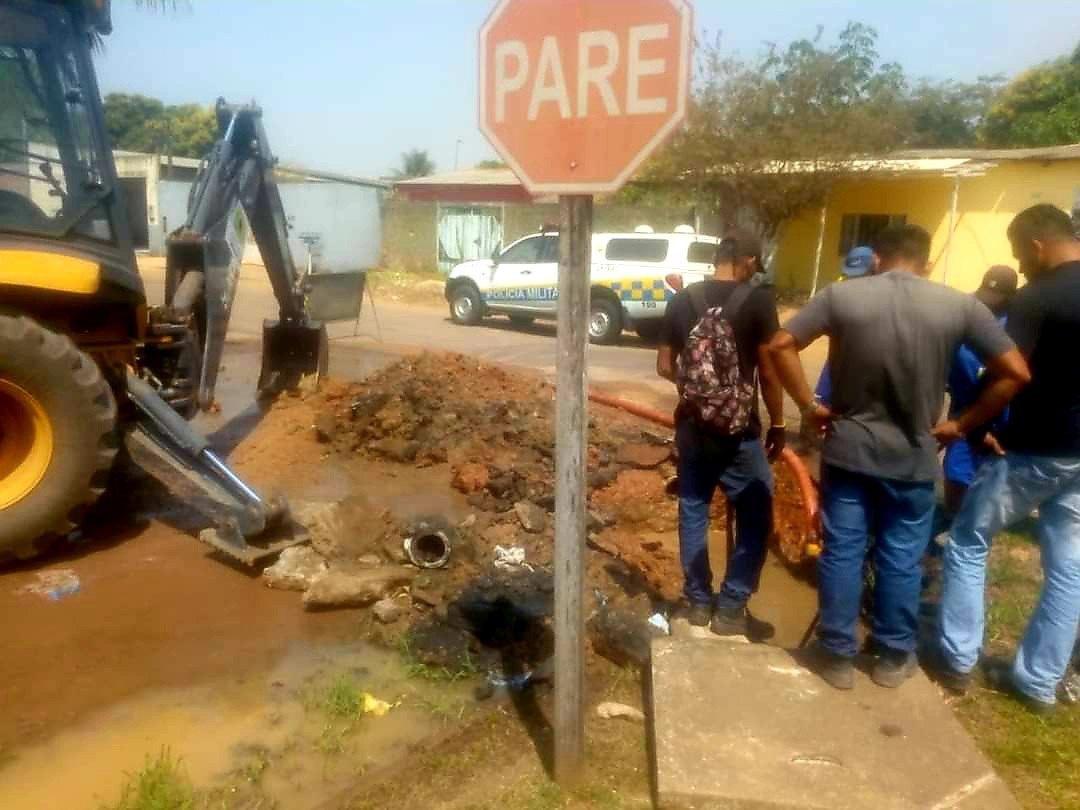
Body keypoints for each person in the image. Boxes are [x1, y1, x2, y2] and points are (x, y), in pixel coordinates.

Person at [767, 224, 1027, 690]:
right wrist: (962, 425)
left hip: (849, 452)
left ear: (877, 258)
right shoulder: (959, 305)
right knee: (902, 558)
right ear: (926, 261)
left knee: (843, 551)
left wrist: (808, 405)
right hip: (913, 459)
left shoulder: (842, 297)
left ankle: (837, 655)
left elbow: (780, 344)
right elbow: (1015, 372)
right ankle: (891, 656)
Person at [934, 204, 1080, 715]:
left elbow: (1008, 374)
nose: (1019, 264)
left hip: (1034, 449)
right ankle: (1039, 682)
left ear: (1038, 245)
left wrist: (968, 426)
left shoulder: (1037, 297)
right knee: (1068, 567)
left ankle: (957, 658)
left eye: (1020, 253)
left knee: (968, 540)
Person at [656, 229, 786, 640]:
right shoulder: (758, 301)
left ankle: (697, 602)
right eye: (755, 265)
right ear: (747, 260)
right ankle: (730, 608)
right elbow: (769, 373)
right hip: (739, 432)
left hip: (693, 427)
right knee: (756, 512)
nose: (755, 272)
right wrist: (779, 423)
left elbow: (664, 365)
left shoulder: (682, 299)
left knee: (693, 508)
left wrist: (699, 393)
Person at [942, 265, 1018, 520]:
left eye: (997, 297)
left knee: (993, 472)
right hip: (964, 408)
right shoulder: (966, 311)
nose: (989, 302)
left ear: (1010, 296)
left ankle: (976, 519)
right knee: (957, 471)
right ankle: (953, 516)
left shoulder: (1017, 321)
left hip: (1000, 409)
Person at [814, 246, 878, 409]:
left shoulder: (883, 298)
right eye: (851, 276)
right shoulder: (839, 291)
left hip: (869, 369)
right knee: (821, 405)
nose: (854, 281)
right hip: (838, 361)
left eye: (861, 276)